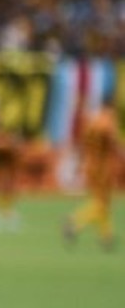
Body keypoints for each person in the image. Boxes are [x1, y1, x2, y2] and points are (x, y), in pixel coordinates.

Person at [63, 103, 120, 250]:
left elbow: (83, 144)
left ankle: (106, 236)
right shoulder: (108, 123)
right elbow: (113, 143)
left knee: (101, 202)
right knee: (102, 203)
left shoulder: (92, 122)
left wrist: (80, 164)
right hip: (104, 167)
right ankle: (75, 220)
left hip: (91, 165)